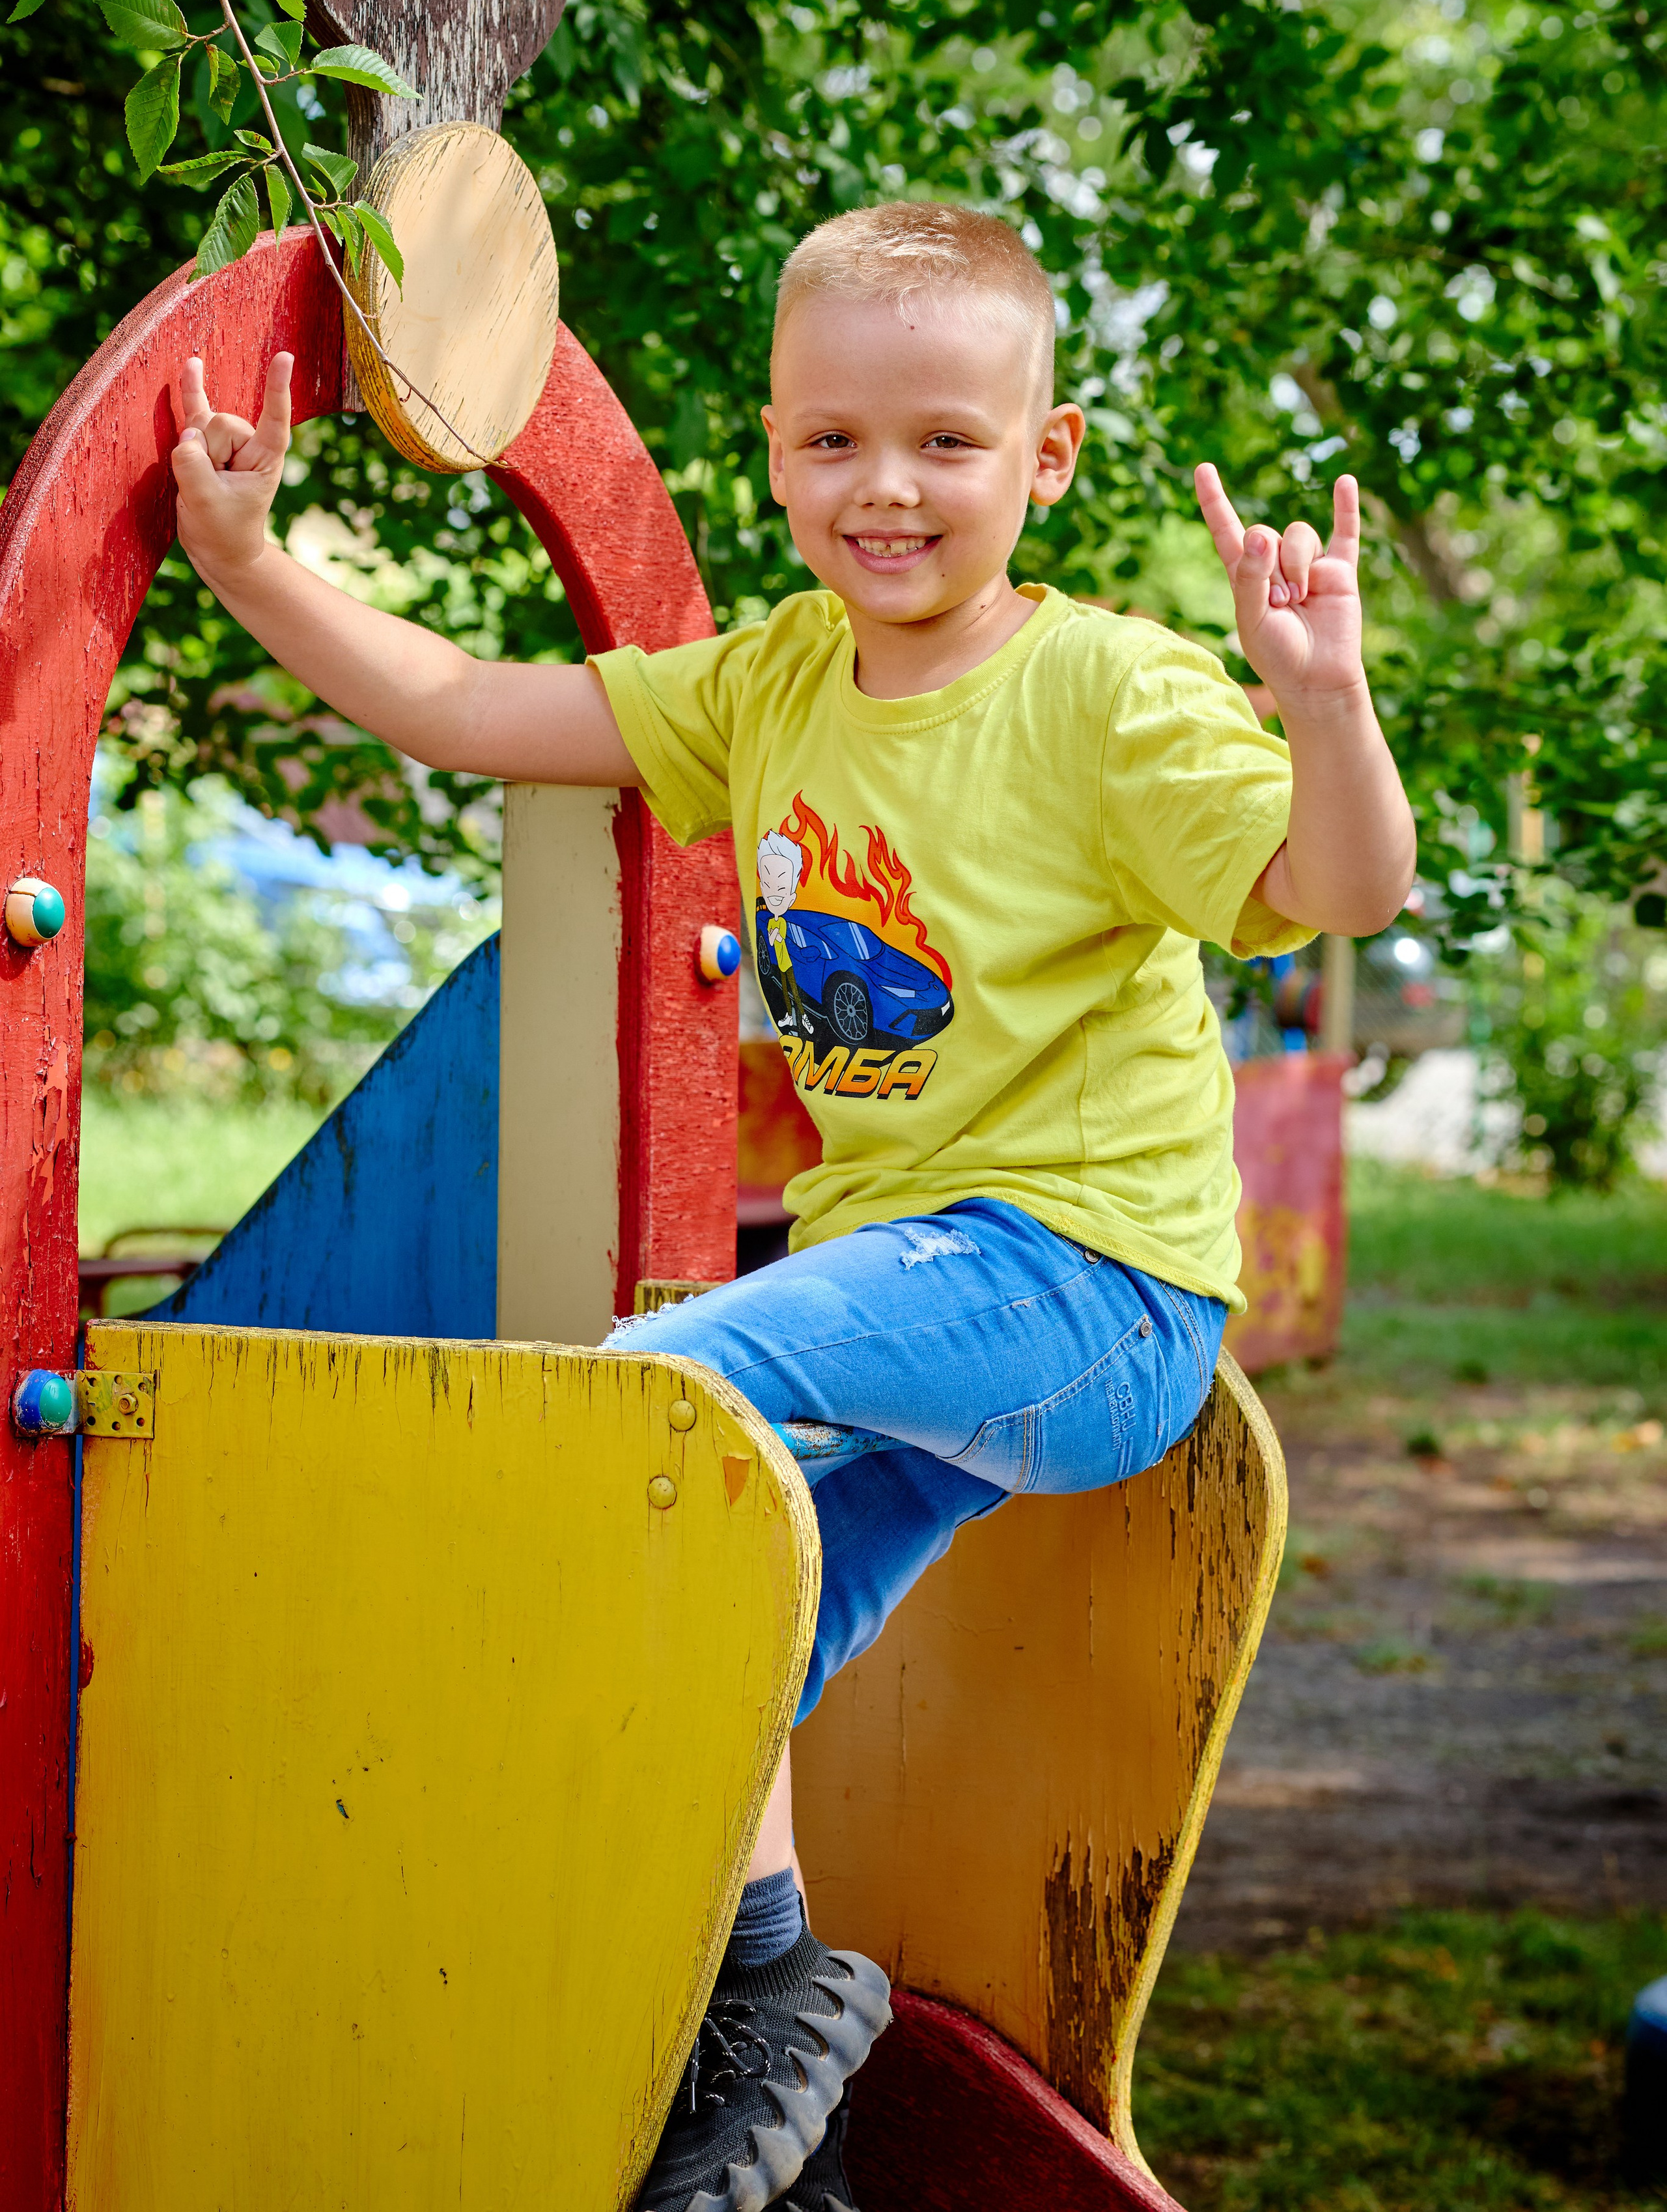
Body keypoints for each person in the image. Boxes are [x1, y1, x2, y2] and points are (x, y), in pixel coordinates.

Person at [170, 199, 1415, 2212]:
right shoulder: (771, 686)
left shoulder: (1107, 694)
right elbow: (474, 709)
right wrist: (251, 562)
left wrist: (1324, 697)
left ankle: (762, 2003)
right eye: (832, 439)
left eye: (944, 439)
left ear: (1049, 456)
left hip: (1086, 1286)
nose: (887, 486)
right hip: (922, 1300)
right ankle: (782, 2117)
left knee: (639, 1419)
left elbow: (1344, 896)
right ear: (772, 448)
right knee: (674, 1631)